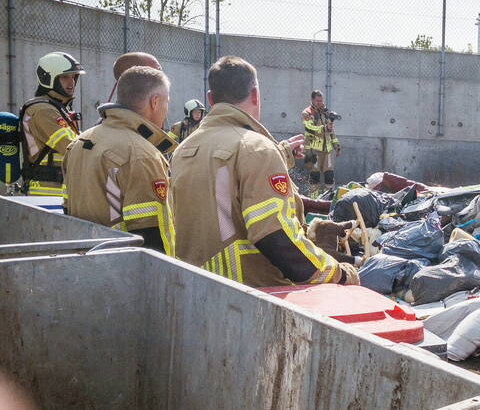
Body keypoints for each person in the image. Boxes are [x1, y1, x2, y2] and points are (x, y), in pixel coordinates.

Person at [171, 56, 357, 288]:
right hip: (251, 294)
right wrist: (337, 273)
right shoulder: (256, 148)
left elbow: (222, 185)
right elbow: (274, 236)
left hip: (191, 289)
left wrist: (280, 153)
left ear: (210, 99)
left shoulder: (183, 150)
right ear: (255, 95)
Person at [63, 66, 177, 254]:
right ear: (155, 102)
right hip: (123, 270)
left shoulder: (79, 142)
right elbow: (152, 235)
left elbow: (67, 210)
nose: (166, 109)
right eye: (167, 102)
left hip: (81, 262)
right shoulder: (142, 155)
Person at [18, 52, 86, 197]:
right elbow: (71, 147)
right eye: (65, 77)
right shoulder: (43, 111)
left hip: (59, 192)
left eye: (74, 77)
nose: (72, 82)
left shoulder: (59, 108)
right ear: (48, 78)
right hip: (46, 195)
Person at [302, 89, 339, 190]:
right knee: (315, 177)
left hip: (327, 150)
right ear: (312, 100)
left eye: (321, 100)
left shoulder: (324, 112)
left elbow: (331, 129)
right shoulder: (307, 113)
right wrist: (324, 128)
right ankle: (313, 200)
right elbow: (309, 128)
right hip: (313, 150)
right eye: (317, 101)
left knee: (329, 176)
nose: (320, 103)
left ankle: (329, 201)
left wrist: (336, 146)